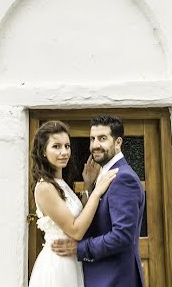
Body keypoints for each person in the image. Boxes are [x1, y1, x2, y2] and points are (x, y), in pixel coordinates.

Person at [51, 115, 146, 287]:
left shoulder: (123, 178)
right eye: (92, 139)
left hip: (114, 279)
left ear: (118, 142)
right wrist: (89, 185)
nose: (95, 145)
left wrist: (79, 249)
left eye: (102, 138)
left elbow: (122, 236)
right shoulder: (104, 175)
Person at [29, 120, 118, 287]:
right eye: (56, 146)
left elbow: (79, 214)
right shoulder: (45, 188)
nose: (64, 152)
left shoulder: (60, 182)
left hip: (70, 262)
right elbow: (76, 230)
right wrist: (97, 190)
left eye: (67, 146)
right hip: (57, 264)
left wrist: (88, 185)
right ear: (43, 152)